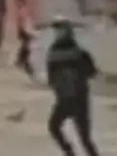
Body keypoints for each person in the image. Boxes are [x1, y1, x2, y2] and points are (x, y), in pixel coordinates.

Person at [46, 16, 101, 156]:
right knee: (81, 137)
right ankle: (69, 152)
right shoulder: (77, 52)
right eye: (56, 29)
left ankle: (69, 152)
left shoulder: (69, 52)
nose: (57, 32)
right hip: (72, 99)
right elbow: (92, 72)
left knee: (81, 137)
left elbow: (51, 77)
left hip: (74, 99)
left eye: (60, 29)